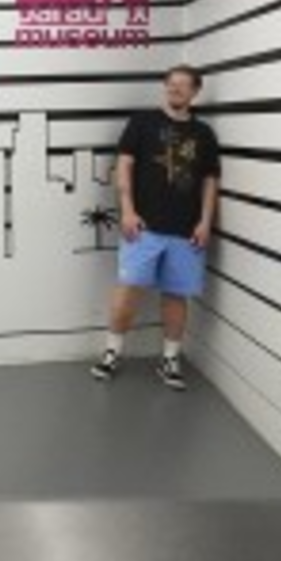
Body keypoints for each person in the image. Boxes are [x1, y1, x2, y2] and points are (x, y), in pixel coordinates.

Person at [92, 64, 221, 390]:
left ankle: (170, 359)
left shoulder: (204, 134)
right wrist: (127, 210)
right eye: (171, 84)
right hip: (144, 226)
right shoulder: (142, 122)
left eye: (183, 85)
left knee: (177, 296)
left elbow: (210, 180)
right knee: (128, 289)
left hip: (187, 232)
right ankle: (111, 352)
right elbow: (123, 166)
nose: (175, 89)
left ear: (195, 91)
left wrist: (205, 221)